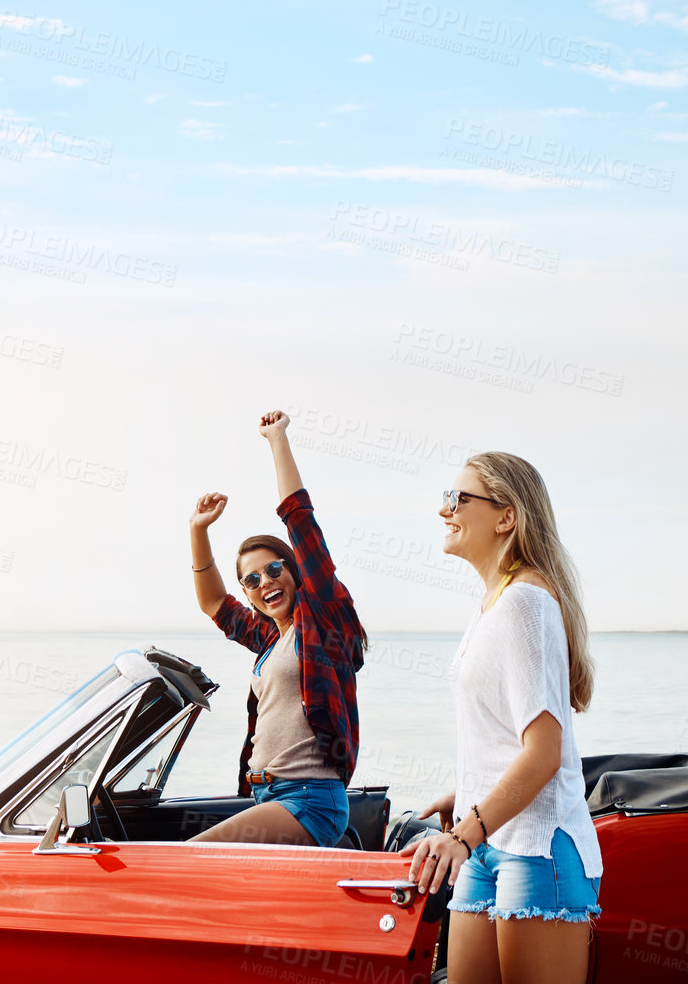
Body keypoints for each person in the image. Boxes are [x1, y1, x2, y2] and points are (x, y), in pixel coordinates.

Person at [404, 452, 602, 984]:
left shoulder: (525, 604)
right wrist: (467, 789)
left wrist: (461, 837)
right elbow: (504, 734)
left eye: (456, 499)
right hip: (488, 842)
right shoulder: (493, 602)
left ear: (506, 517)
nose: (444, 510)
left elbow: (543, 753)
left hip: (538, 848)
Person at [187, 409, 366, 847]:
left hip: (309, 799)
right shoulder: (271, 637)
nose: (264, 582)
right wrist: (198, 530)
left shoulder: (322, 617)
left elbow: (301, 523)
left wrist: (276, 439)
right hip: (264, 795)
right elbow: (213, 602)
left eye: (272, 569)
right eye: (251, 579)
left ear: (293, 569)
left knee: (194, 858)